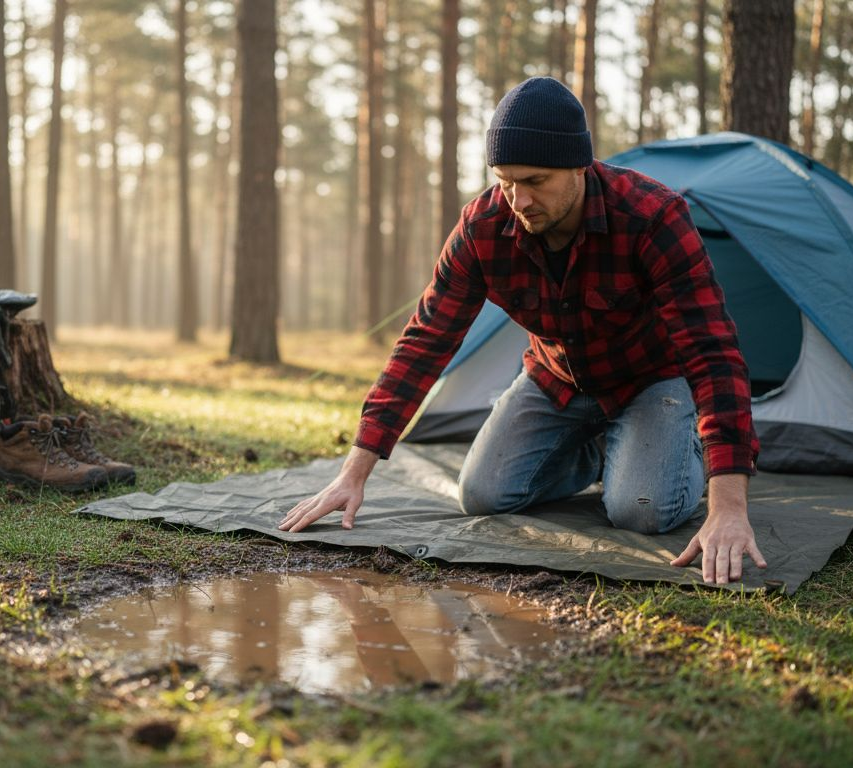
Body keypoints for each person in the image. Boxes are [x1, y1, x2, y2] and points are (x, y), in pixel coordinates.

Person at [279, 77, 766, 585]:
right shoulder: (482, 227)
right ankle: (610, 451)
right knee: (483, 496)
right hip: (556, 379)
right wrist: (352, 474)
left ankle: (676, 444)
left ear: (580, 165)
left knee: (640, 512)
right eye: (506, 180)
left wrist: (728, 507)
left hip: (652, 380)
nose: (519, 199)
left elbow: (713, 353)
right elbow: (425, 342)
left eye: (536, 181)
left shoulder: (652, 217)